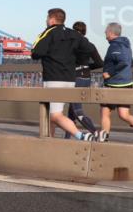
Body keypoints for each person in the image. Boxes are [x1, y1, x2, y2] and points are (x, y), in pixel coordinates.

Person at [30, 8, 95, 139]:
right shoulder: (74, 34)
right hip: (70, 79)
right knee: (51, 113)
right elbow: (90, 48)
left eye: (47, 18)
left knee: (55, 115)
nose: (46, 21)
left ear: (52, 19)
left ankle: (81, 136)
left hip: (53, 78)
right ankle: (49, 140)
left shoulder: (48, 33)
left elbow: (36, 52)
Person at [99, 22, 133, 146]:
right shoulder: (126, 44)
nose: (105, 33)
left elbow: (123, 62)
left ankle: (104, 139)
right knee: (124, 114)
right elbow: (130, 63)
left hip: (113, 85)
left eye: (106, 31)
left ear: (112, 33)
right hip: (126, 83)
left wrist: (109, 73)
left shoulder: (115, 45)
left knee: (105, 112)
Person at [67, 21, 103, 140]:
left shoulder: (72, 45)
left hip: (76, 78)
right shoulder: (90, 45)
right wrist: (87, 67)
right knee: (72, 110)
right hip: (86, 79)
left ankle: (95, 133)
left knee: (77, 110)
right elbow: (99, 63)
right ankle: (67, 139)